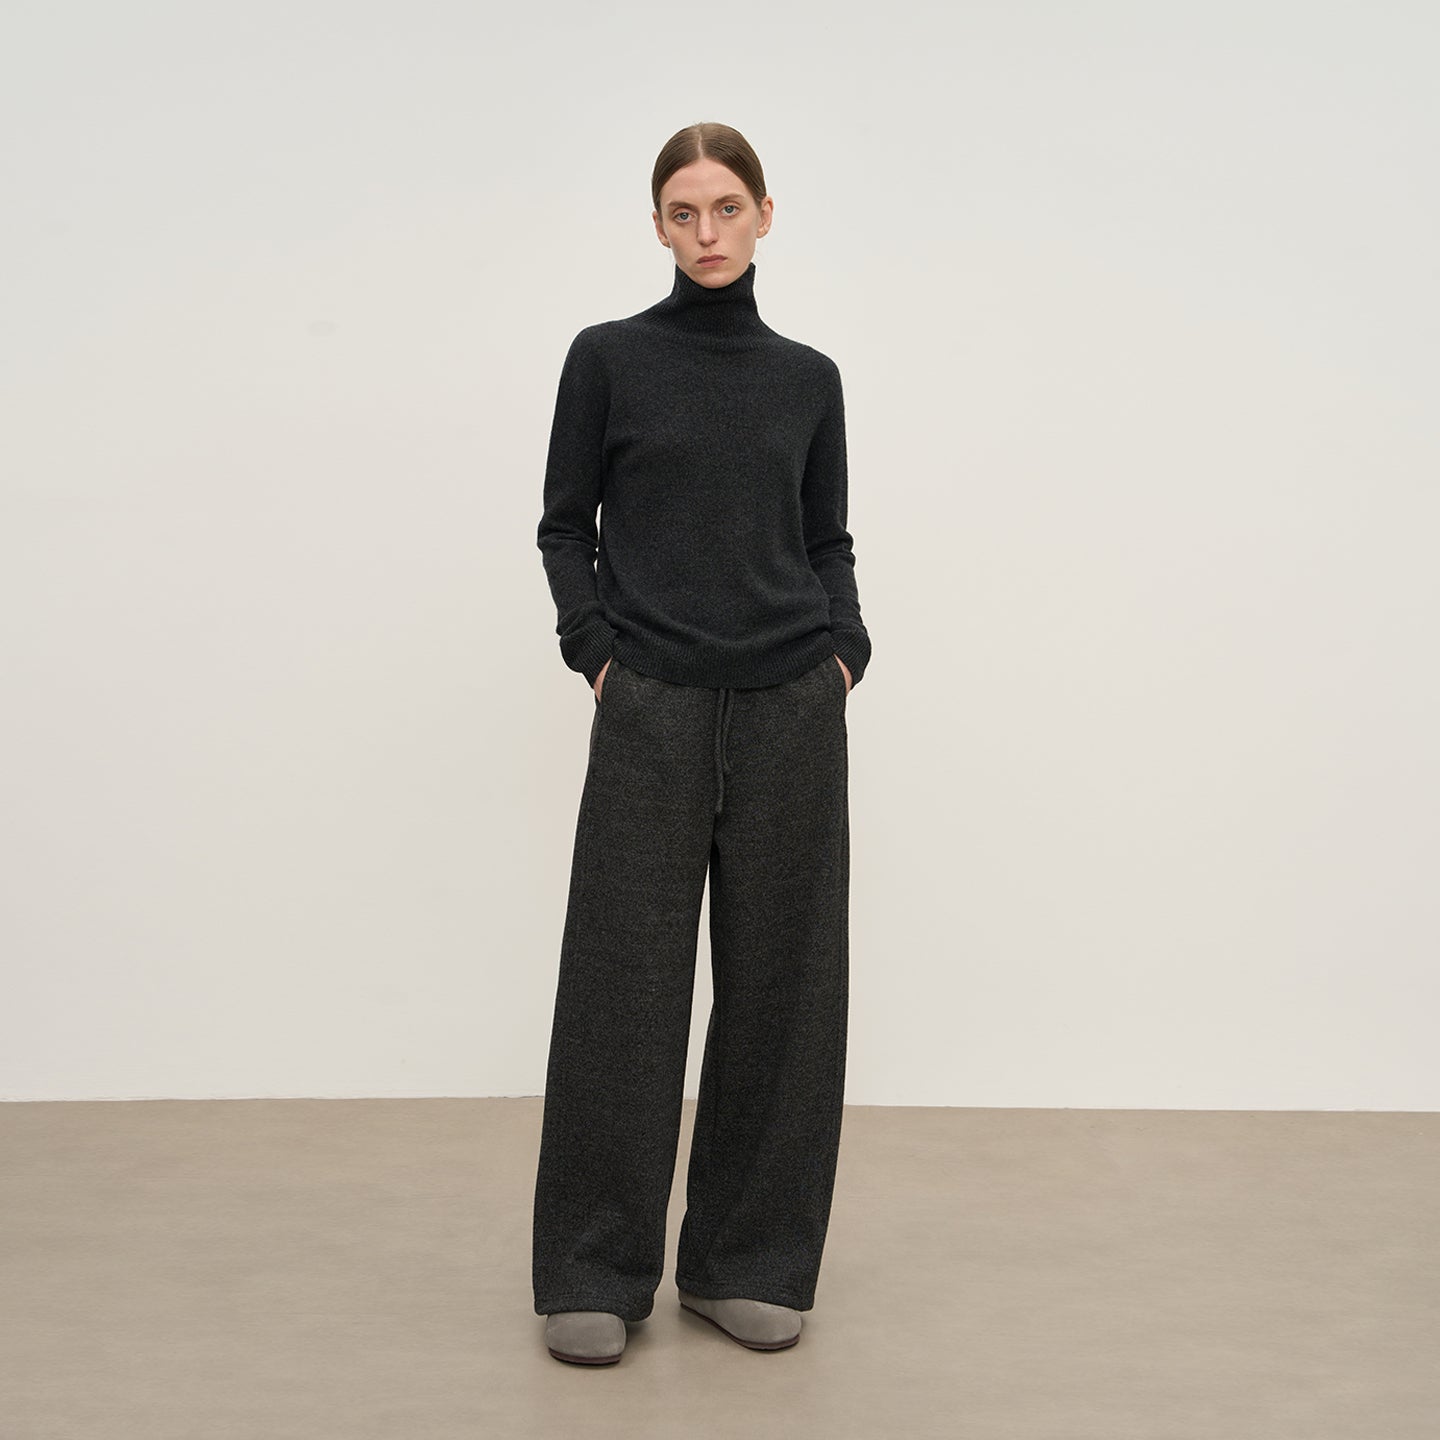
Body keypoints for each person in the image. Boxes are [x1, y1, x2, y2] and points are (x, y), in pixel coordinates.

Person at [531, 121, 873, 1366]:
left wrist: (845, 651)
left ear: (765, 216)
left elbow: (826, 538)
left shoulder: (808, 378)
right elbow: (565, 526)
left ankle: (747, 1262)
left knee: (785, 993)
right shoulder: (609, 359)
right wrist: (597, 653)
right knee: (621, 990)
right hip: (654, 705)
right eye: (685, 211)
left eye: (728, 207)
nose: (708, 231)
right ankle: (593, 1270)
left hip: (791, 704)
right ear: (658, 225)